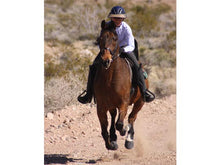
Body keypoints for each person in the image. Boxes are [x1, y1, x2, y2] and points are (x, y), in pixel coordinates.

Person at [77, 6, 155, 104]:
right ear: (111, 18)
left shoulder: (126, 28)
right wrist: (104, 51)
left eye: (120, 18)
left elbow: (131, 45)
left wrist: (122, 50)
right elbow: (102, 42)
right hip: (109, 51)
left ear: (123, 19)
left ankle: (144, 92)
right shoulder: (106, 26)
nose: (117, 20)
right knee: (94, 66)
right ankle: (88, 94)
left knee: (136, 65)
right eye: (115, 18)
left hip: (125, 50)